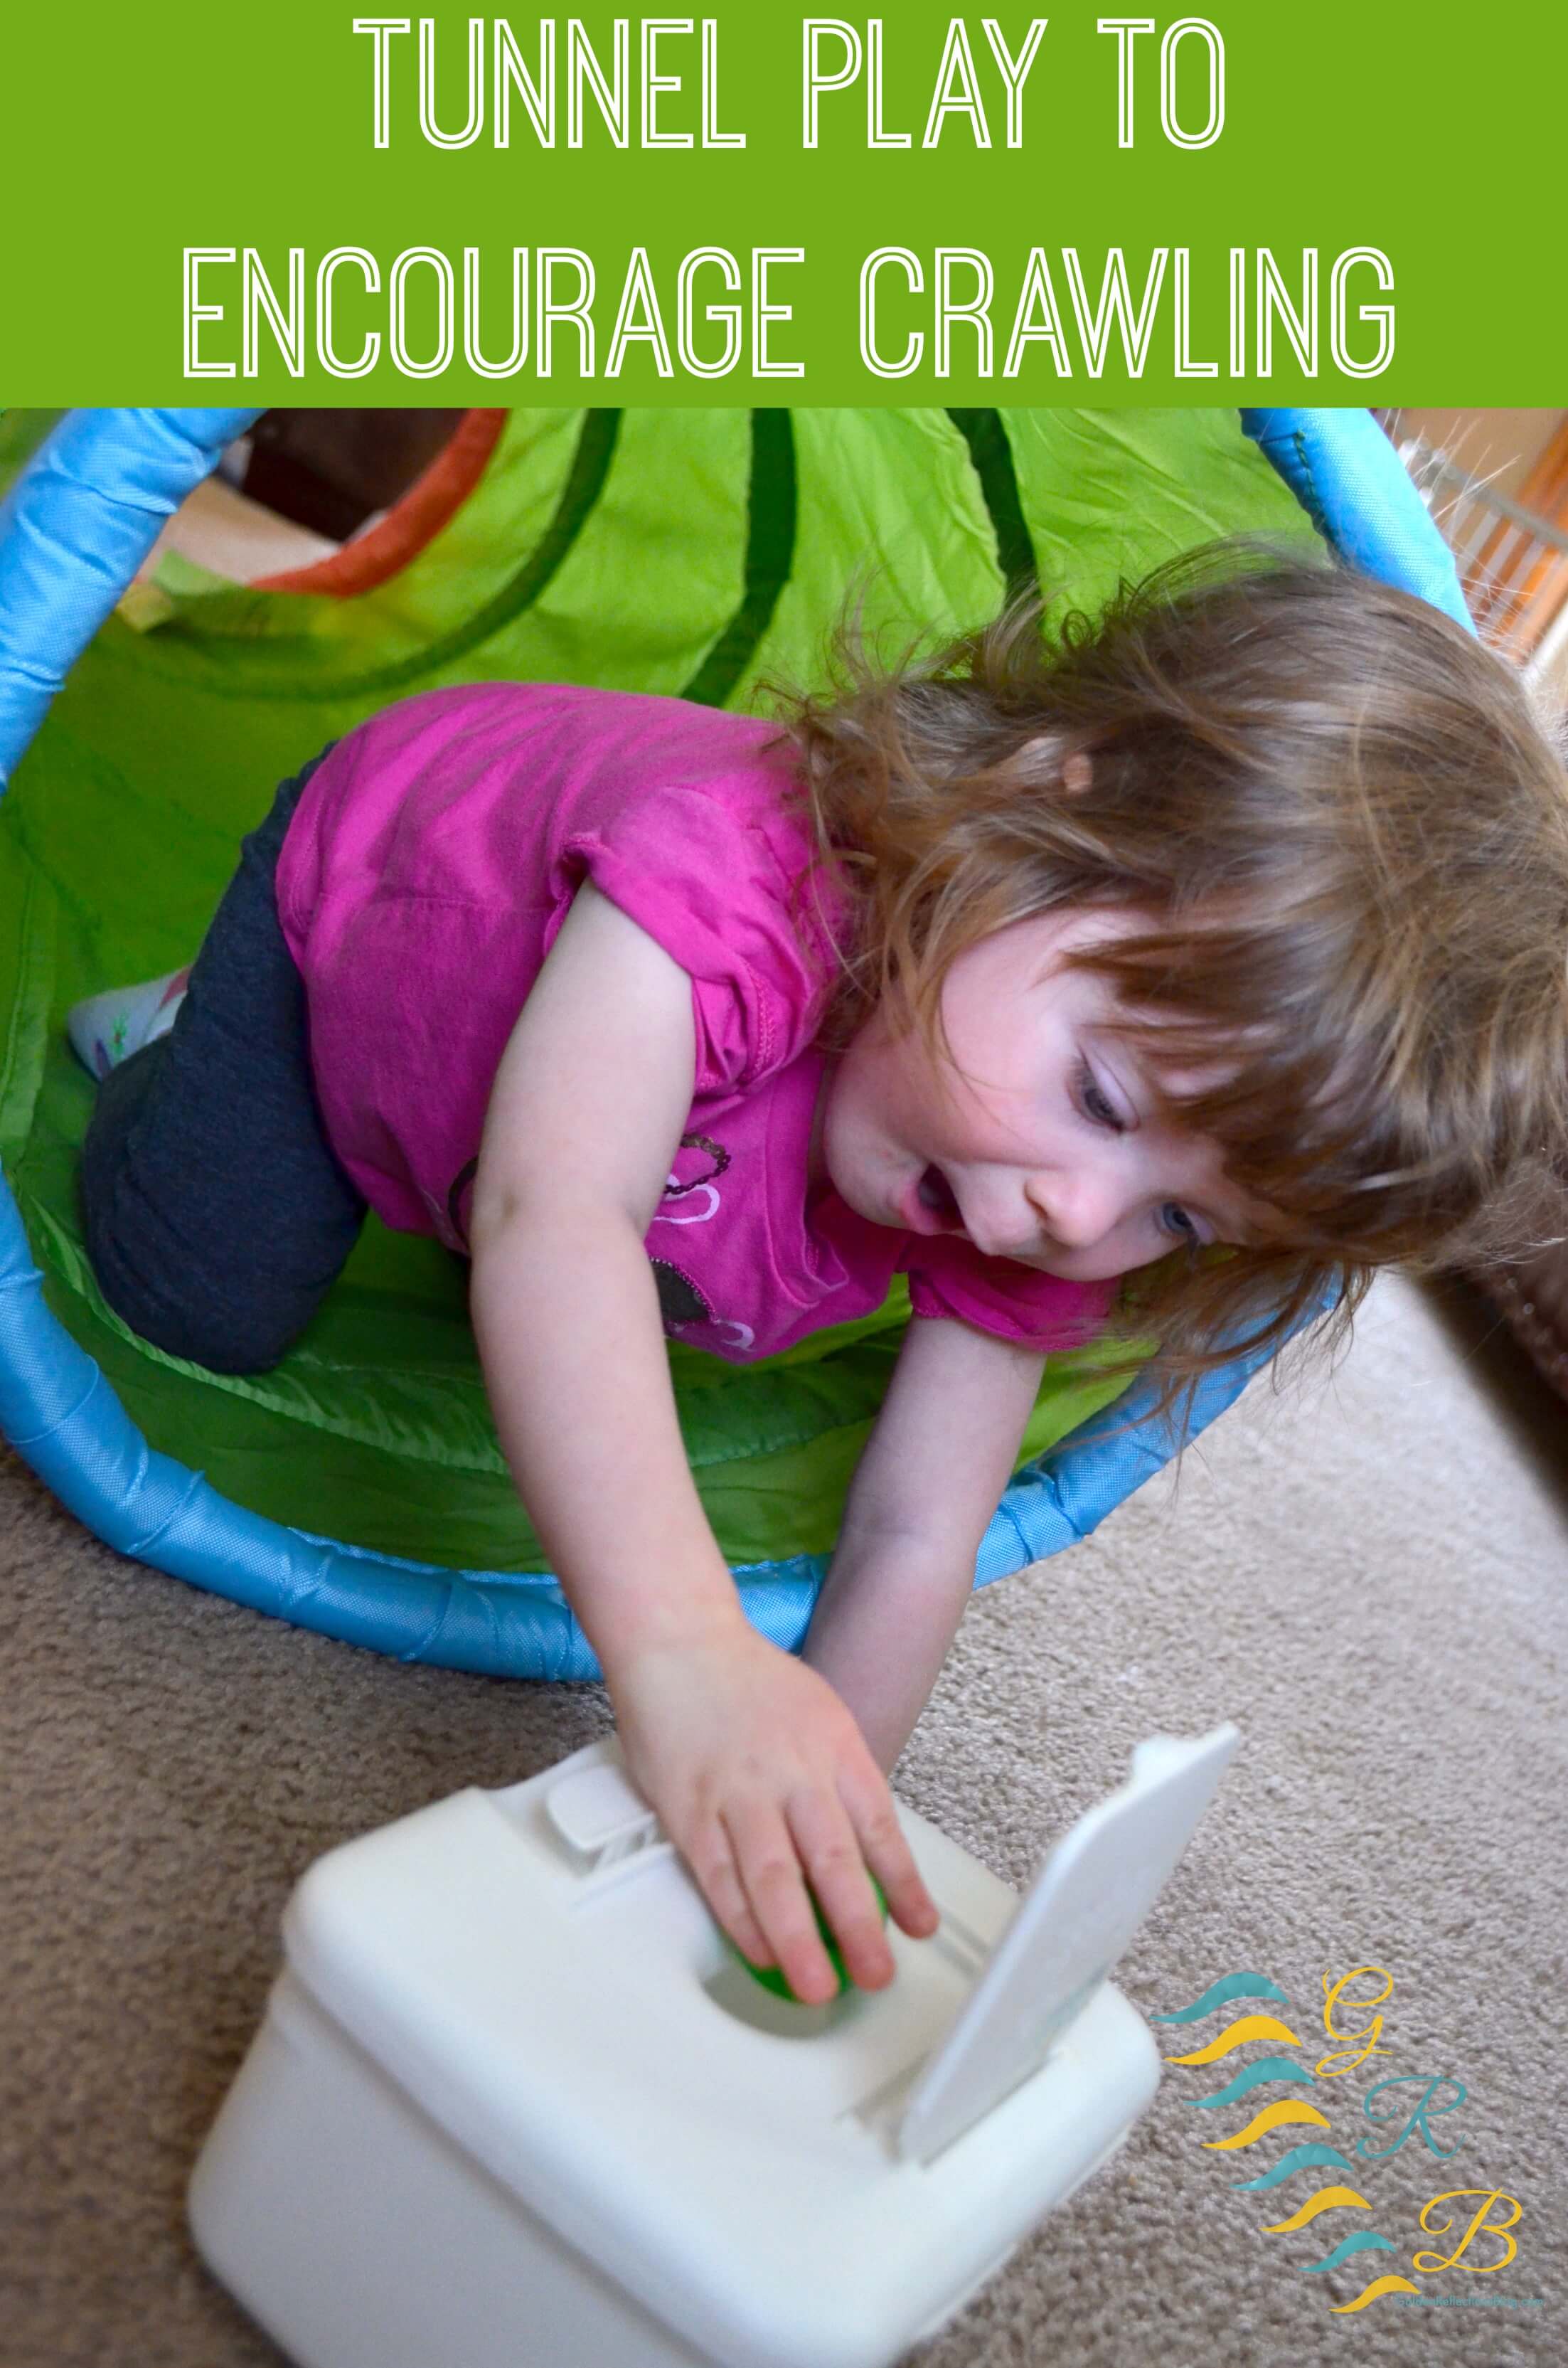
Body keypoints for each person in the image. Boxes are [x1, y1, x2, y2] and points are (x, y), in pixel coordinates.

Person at [69, 546, 1568, 2007]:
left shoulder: (1044, 1193)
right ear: (1040, 818)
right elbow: (558, 1219)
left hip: (535, 1119)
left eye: (1181, 1222)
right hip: (372, 909)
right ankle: (180, 1029)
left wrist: (800, 1808)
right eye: (1105, 1099)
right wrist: (688, 1659)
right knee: (193, 1301)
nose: (1078, 1216)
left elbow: (919, 1527)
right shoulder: (736, 881)